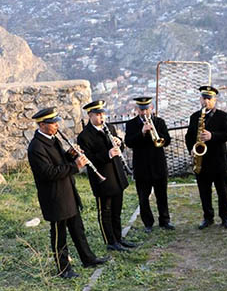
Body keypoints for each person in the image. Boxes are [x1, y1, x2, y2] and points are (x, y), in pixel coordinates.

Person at [27, 107, 109, 278]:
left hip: (67, 192)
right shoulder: (36, 147)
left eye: (57, 121)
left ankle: (88, 258)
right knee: (59, 235)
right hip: (54, 197)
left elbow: (60, 161)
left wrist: (71, 155)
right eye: (52, 123)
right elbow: (48, 173)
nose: (57, 125)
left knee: (78, 229)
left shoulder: (53, 138)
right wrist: (75, 166)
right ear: (42, 125)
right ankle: (64, 269)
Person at [77, 100, 136, 252]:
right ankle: (110, 241)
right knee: (106, 211)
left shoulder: (109, 127)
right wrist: (107, 154)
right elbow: (89, 159)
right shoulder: (84, 136)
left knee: (117, 210)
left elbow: (119, 147)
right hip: (102, 178)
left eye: (102, 113)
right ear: (90, 115)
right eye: (98, 114)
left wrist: (119, 143)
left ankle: (119, 238)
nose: (101, 117)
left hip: (116, 175)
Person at [185, 86, 227, 230]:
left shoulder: (222, 116)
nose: (206, 101)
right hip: (202, 162)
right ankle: (208, 217)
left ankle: (225, 217)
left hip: (218, 160)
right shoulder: (195, 116)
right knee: (204, 192)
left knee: (223, 191)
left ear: (215, 100)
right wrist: (191, 150)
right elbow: (189, 136)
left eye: (209, 99)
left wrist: (212, 136)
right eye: (203, 98)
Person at [125, 97, 174, 233]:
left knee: (162, 195)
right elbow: (128, 142)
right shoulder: (131, 124)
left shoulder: (159, 122)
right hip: (142, 167)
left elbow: (168, 140)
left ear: (151, 108)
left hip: (158, 165)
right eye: (141, 110)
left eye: (147, 109)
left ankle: (165, 220)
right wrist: (142, 133)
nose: (144, 112)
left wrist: (159, 136)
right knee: (143, 198)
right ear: (137, 110)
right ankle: (148, 223)